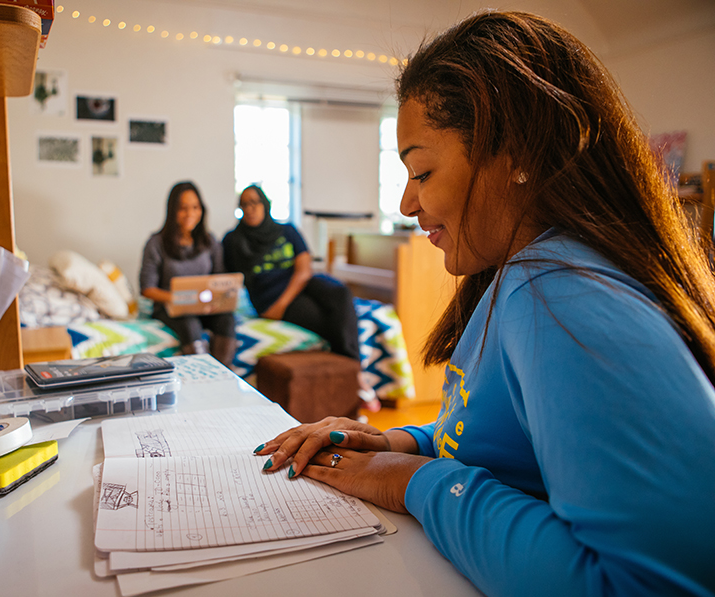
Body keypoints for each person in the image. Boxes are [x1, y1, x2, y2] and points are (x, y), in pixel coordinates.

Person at [254, 11, 715, 597]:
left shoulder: (560, 291)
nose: (405, 202)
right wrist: (396, 442)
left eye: (422, 170)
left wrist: (414, 481)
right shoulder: (517, 275)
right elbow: (501, 442)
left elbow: (645, 582)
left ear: (517, 153)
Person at [222, 184, 380, 411]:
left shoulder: (286, 230)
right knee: (325, 319)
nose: (250, 209)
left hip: (299, 284)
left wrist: (284, 303)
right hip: (269, 297)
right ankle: (355, 377)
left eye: (254, 202)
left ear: (265, 205)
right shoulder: (233, 240)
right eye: (244, 204)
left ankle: (355, 373)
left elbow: (304, 269)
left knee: (340, 293)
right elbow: (228, 277)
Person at [139, 181, 236, 367]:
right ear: (173, 210)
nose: (190, 214)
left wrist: (219, 299)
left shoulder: (210, 241)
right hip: (170, 308)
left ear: (202, 210)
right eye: (183, 208)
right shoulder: (156, 243)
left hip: (205, 306)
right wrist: (179, 299)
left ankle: (224, 373)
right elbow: (147, 288)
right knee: (189, 323)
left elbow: (219, 278)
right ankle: (202, 371)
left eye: (195, 207)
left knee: (228, 319)